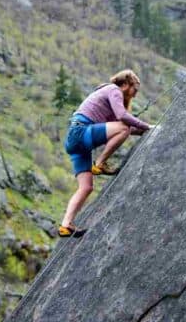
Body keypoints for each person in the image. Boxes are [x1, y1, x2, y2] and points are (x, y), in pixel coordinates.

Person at [59, 69, 152, 237]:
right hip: (81, 132)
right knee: (123, 126)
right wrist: (146, 126)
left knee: (86, 187)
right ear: (124, 84)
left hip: (75, 141)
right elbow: (122, 118)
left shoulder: (106, 96)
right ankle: (100, 163)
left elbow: (123, 128)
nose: (135, 95)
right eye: (134, 90)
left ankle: (66, 224)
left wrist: (144, 130)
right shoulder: (113, 90)